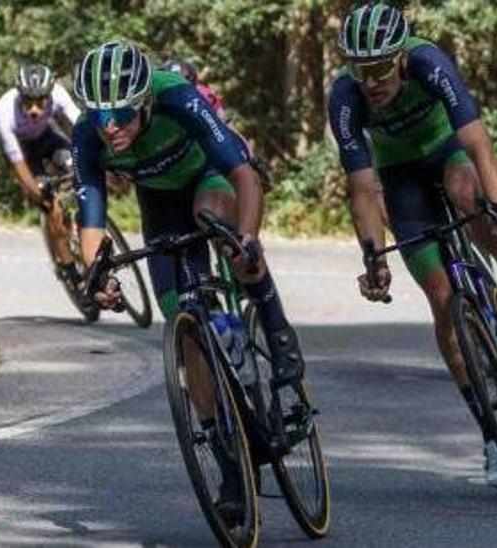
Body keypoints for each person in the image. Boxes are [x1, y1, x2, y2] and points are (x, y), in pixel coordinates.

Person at [326, 2, 497, 488]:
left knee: (469, 197)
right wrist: (372, 255)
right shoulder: (346, 98)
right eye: (358, 68)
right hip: (400, 177)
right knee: (441, 298)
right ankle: (492, 434)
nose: (369, 80)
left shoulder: (430, 63)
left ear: (400, 58)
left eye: (378, 67)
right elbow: (362, 188)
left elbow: (479, 145)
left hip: (446, 151)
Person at [71, 41, 304, 522]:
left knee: (221, 230)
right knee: (185, 328)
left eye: (121, 113)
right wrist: (96, 276)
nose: (109, 126)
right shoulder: (89, 135)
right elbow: (91, 215)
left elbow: (243, 172)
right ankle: (230, 469)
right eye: (99, 115)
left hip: (212, 177)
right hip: (160, 207)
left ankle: (277, 331)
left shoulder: (177, 96)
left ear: (146, 101)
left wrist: (249, 238)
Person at [0, 64, 85, 283]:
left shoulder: (59, 94)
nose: (34, 110)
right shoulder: (2, 113)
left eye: (41, 102)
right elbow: (17, 162)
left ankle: (83, 226)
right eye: (27, 103)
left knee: (79, 166)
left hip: (48, 138)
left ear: (49, 95)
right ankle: (69, 268)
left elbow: (81, 125)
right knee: (50, 205)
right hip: (24, 153)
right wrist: (38, 193)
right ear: (19, 97)